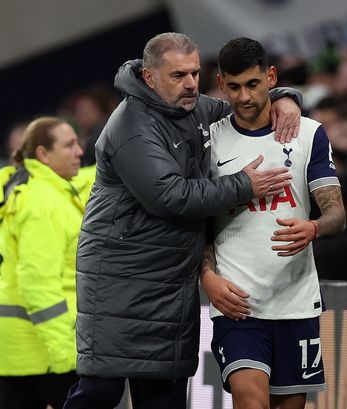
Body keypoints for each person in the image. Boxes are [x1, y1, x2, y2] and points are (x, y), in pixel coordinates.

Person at [65, 32, 302, 409]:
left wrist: (285, 99)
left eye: (194, 73)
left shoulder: (193, 107)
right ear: (149, 78)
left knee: (164, 395)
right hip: (120, 279)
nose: (191, 83)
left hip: (172, 280)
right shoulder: (131, 125)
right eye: (178, 76)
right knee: (101, 389)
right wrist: (245, 185)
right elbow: (170, 196)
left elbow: (244, 109)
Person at [200, 37, 346, 409]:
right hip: (237, 303)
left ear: (271, 77)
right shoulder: (209, 141)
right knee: (252, 403)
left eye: (252, 84)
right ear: (220, 83)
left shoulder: (309, 134)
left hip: (295, 300)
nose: (244, 96)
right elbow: (194, 221)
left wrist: (313, 228)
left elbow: (336, 214)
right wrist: (208, 277)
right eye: (233, 87)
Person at [0, 117, 93, 409]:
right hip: (41, 344)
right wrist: (65, 355)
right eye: (69, 145)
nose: (79, 151)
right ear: (43, 154)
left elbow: (88, 178)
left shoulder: (29, 185)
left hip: (15, 341)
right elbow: (38, 285)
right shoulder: (43, 203)